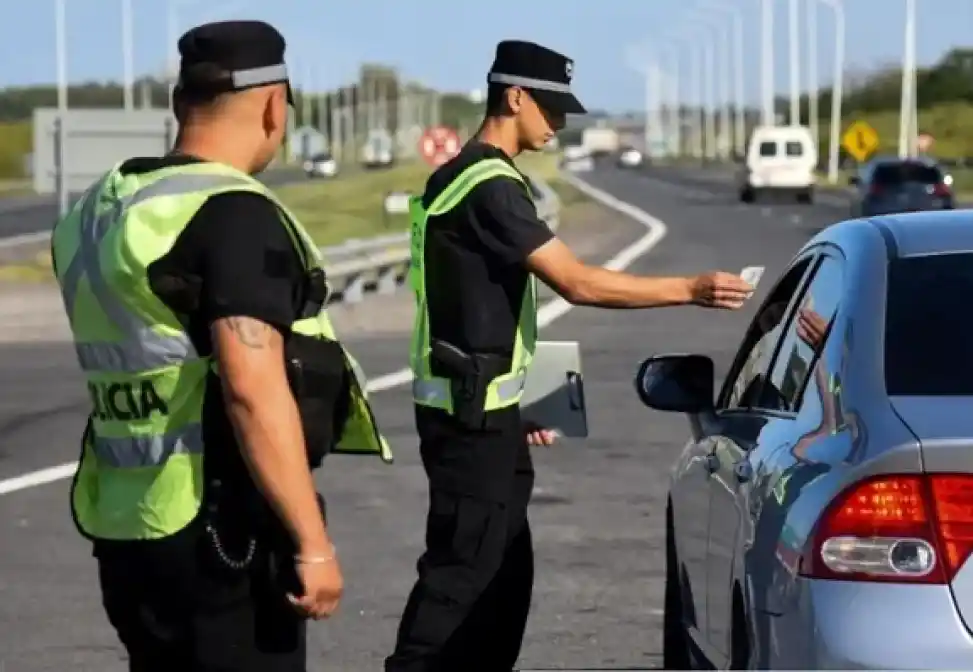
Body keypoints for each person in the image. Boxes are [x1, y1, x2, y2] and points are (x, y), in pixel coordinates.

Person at [385, 40, 753, 672]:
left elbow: (477, 304)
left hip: (480, 412)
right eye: (550, 108)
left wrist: (523, 395)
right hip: (471, 425)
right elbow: (576, 283)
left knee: (499, 584)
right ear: (515, 96)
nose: (557, 123)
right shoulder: (491, 186)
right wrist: (689, 290)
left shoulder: (458, 177)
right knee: (461, 587)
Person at [50, 20, 391, 672]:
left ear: (181, 103)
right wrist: (311, 543)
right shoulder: (232, 211)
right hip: (220, 528)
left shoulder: (96, 213)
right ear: (273, 103)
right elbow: (250, 386)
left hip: (125, 522)